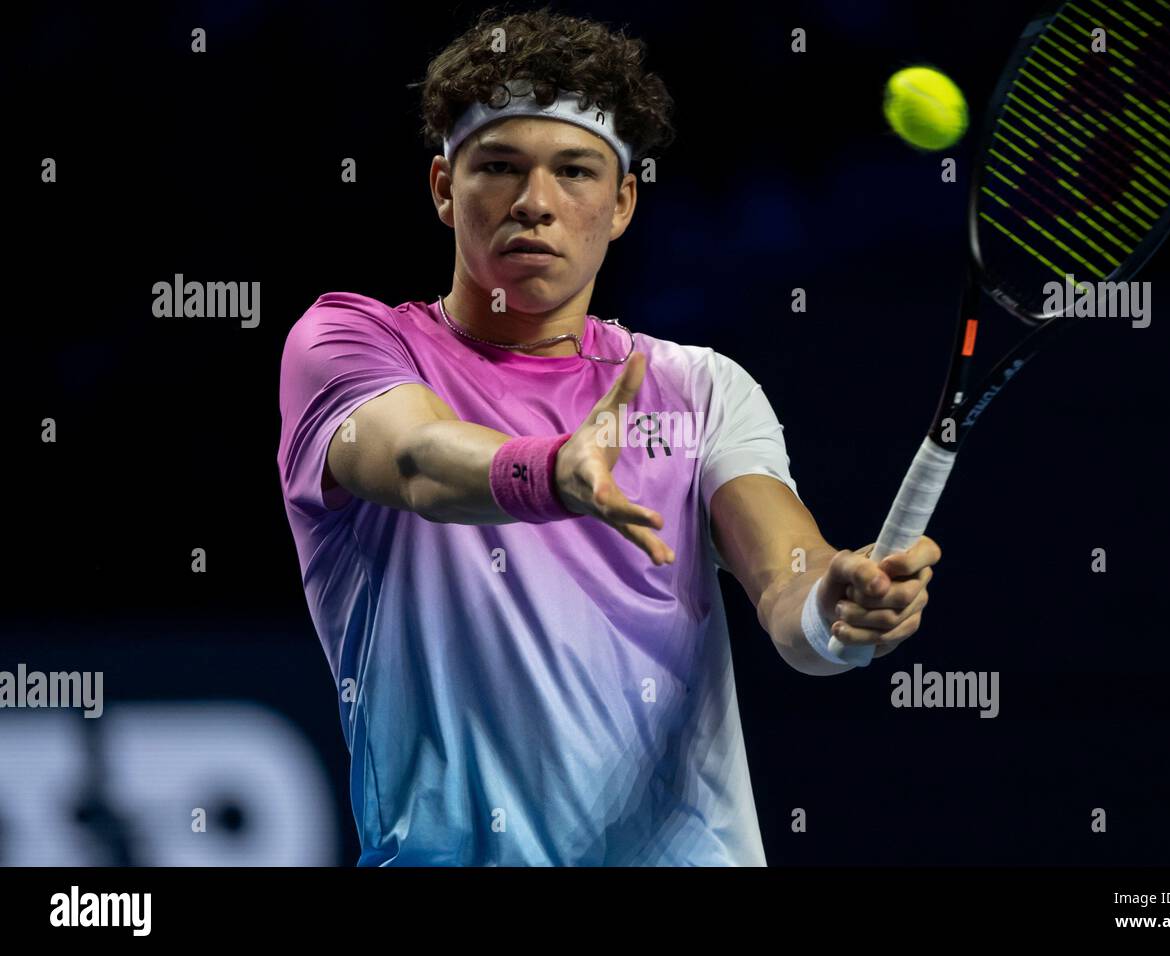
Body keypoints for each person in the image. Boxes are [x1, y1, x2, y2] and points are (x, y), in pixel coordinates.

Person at [276, 5, 940, 866]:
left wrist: (838, 611)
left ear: (622, 201)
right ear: (444, 188)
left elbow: (789, 583)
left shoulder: (699, 388)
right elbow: (413, 461)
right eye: (499, 168)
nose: (535, 204)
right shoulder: (350, 343)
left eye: (577, 171)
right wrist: (549, 471)